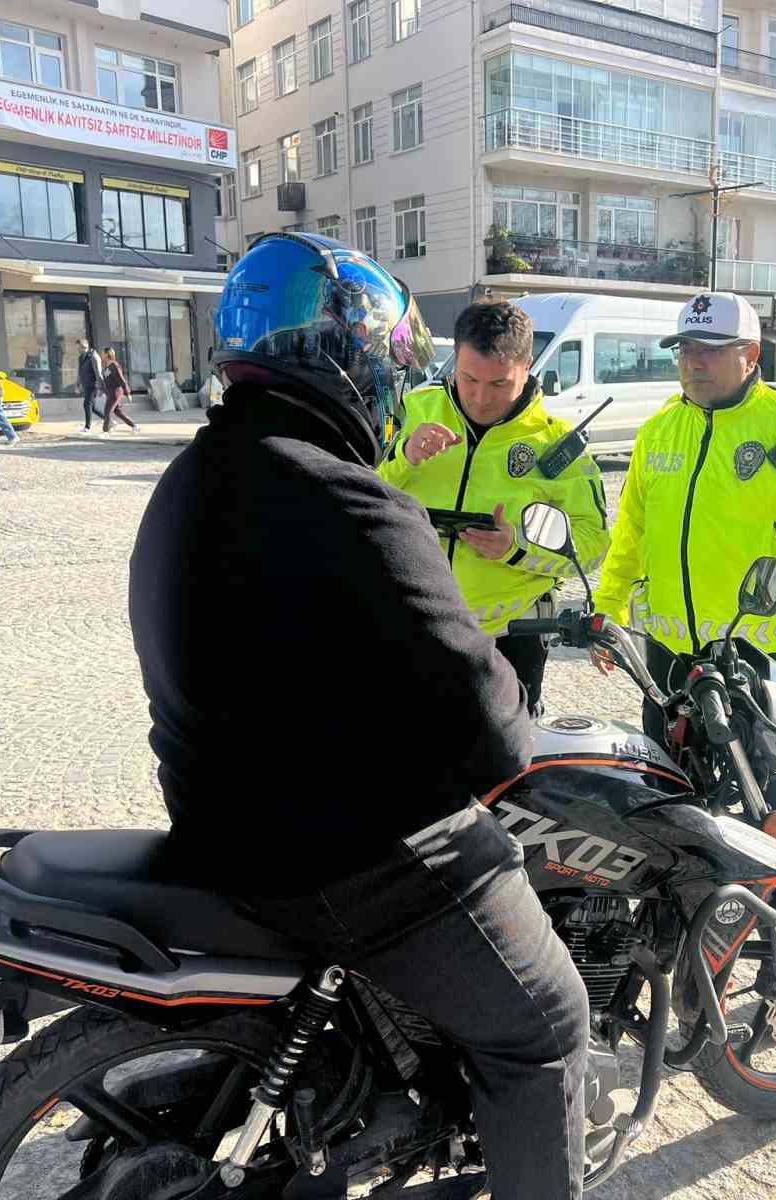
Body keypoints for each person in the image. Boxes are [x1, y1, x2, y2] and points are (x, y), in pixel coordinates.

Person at [128, 233, 588, 1199]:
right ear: (348, 361)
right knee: (546, 1017)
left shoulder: (190, 479)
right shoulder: (346, 499)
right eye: (389, 363)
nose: (394, 383)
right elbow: (495, 728)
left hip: (215, 822)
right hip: (340, 863)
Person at [596, 291, 776, 729]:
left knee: (771, 797)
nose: (693, 362)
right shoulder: (658, 432)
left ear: (751, 355)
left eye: (711, 350)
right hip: (669, 658)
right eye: (685, 348)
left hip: (761, 663)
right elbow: (632, 531)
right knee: (667, 792)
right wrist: (609, 608)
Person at [379, 300, 609, 716]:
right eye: (468, 379)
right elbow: (353, 494)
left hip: (511, 639)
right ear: (455, 362)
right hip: (411, 628)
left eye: (499, 384)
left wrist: (516, 550)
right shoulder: (411, 411)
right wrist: (403, 459)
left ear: (527, 366)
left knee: (504, 773)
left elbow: (593, 546)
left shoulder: (555, 446)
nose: (480, 398)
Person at [101, 347, 138, 432]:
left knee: (107, 412)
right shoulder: (108, 366)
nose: (101, 355)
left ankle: (105, 431)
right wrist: (103, 390)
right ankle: (134, 426)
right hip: (110, 392)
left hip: (116, 392)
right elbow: (107, 380)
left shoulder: (114, 365)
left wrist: (128, 393)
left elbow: (122, 380)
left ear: (107, 354)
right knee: (117, 411)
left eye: (103, 353)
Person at [76, 337, 104, 432]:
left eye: (79, 348)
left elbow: (98, 372)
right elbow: (80, 372)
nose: (78, 350)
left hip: (93, 385)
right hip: (86, 385)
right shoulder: (81, 358)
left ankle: (87, 427)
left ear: (85, 347)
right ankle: (109, 420)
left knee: (87, 404)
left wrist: (101, 387)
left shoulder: (93, 356)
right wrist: (77, 385)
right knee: (93, 407)